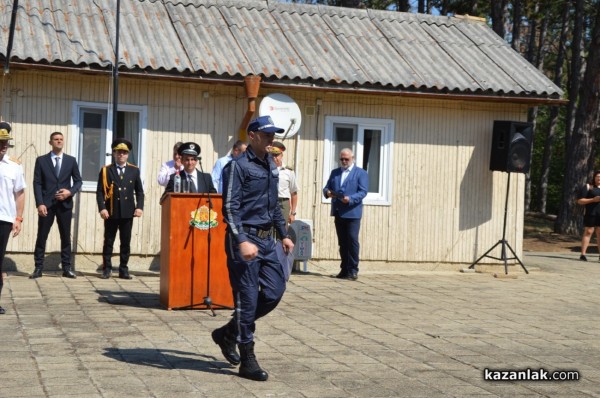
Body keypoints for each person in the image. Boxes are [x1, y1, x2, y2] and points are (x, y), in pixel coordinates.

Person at [213, 116, 294, 382]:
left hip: (267, 240)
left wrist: (284, 234)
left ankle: (227, 332)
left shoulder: (271, 164)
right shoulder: (237, 167)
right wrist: (241, 240)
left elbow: (273, 206)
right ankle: (247, 358)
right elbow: (229, 207)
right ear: (253, 136)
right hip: (244, 239)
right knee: (247, 299)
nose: (272, 138)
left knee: (274, 291)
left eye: (274, 134)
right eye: (267, 134)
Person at [30, 132, 82, 279]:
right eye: (56, 139)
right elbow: (37, 183)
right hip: (47, 205)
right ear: (50, 142)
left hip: (64, 205)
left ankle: (66, 268)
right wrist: (40, 203)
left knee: (65, 237)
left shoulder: (71, 161)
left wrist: (69, 192)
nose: (59, 141)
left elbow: (78, 181)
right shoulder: (41, 160)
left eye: (61, 139)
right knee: (42, 236)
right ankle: (38, 267)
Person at [96, 138, 144, 279]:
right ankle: (107, 269)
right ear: (114, 153)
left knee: (125, 242)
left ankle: (123, 269)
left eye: (124, 152)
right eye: (118, 152)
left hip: (128, 212)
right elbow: (100, 191)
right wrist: (102, 208)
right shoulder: (106, 170)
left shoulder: (134, 171)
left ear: (127, 154)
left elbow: (139, 191)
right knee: (109, 241)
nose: (121, 155)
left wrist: (139, 207)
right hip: (111, 211)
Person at [323, 148, 368, 281]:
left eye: (346, 159)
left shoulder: (360, 173)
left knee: (352, 241)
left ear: (352, 158)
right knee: (342, 242)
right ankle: (344, 269)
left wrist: (350, 198)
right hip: (338, 212)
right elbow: (326, 187)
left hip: (352, 212)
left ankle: (353, 270)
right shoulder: (335, 172)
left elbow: (363, 192)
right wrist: (327, 193)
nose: (343, 161)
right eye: (341, 159)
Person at [0, 122, 25, 314]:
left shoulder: (14, 166)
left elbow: (19, 193)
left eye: (6, 142)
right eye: (0, 142)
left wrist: (18, 218)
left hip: (3, 219)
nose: (3, 146)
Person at [268, 141, 298, 225]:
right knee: (266, 231)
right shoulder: (265, 169)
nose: (274, 158)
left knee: (282, 232)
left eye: (276, 155)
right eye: (272, 155)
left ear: (281, 155)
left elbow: (294, 193)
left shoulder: (288, 171)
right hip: (268, 202)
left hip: (282, 203)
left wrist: (293, 213)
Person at [576, 170, 600, 261]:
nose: (599, 178)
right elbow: (580, 201)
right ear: (594, 177)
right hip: (591, 214)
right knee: (588, 232)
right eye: (598, 176)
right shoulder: (589, 187)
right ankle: (583, 254)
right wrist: (593, 200)